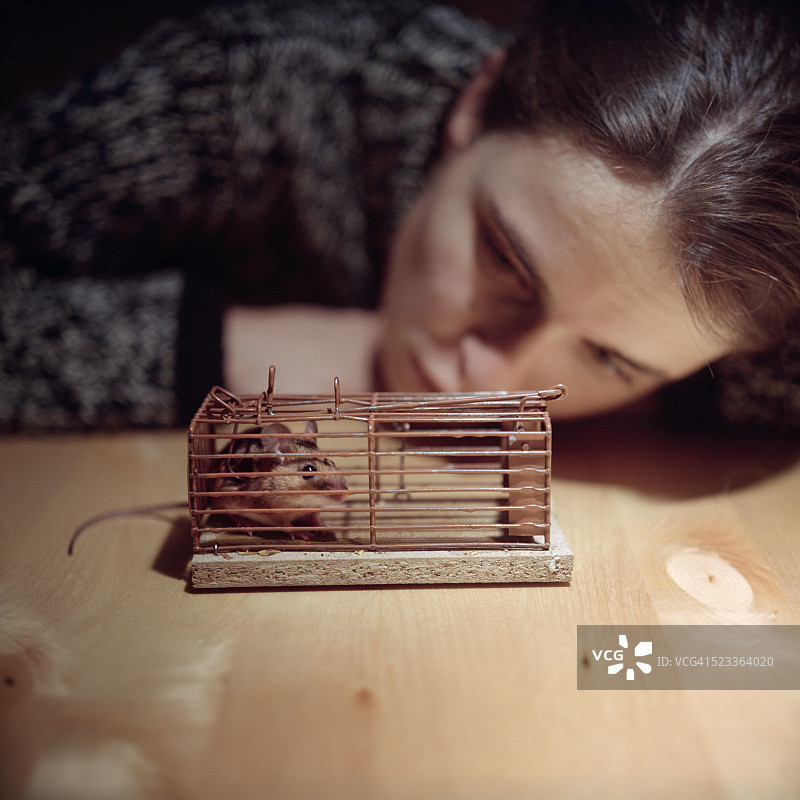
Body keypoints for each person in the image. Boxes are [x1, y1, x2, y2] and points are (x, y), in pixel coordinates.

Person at [2, 0, 799, 434]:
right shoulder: (242, 85)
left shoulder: (767, 298)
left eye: (611, 360)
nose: (486, 386)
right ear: (475, 108)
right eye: (506, 261)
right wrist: (210, 346)